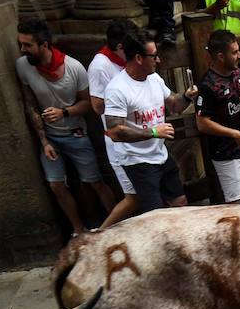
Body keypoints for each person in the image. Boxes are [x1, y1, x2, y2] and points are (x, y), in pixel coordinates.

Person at [15, 19, 116, 237]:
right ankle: (77, 230)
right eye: (21, 44)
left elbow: (89, 103)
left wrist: (64, 112)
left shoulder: (73, 68)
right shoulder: (23, 66)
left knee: (94, 182)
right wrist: (43, 141)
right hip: (50, 138)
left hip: (75, 133)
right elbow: (30, 103)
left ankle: (114, 227)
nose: (23, 50)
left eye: (28, 45)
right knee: (56, 185)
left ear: (44, 45)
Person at [102, 30, 197, 215]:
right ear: (138, 58)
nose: (158, 60)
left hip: (160, 154)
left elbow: (175, 105)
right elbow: (114, 132)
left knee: (180, 201)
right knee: (155, 215)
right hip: (138, 161)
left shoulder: (154, 78)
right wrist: (154, 132)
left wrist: (186, 96)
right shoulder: (117, 89)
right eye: (154, 56)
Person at [87, 18, 140, 227]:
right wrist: (121, 96)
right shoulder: (100, 66)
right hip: (121, 141)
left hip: (137, 137)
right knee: (133, 198)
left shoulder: (124, 62)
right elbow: (97, 105)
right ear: (120, 47)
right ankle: (101, 233)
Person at [195, 30, 240, 204]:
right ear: (221, 57)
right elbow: (202, 123)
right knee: (235, 201)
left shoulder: (238, 73)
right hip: (224, 153)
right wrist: (234, 134)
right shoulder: (208, 85)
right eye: (235, 52)